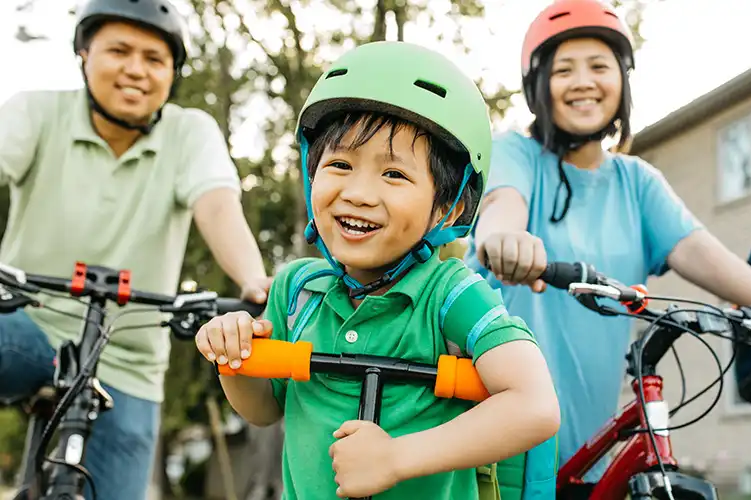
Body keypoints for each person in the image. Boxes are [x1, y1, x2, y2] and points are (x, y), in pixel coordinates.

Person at [465, 0, 751, 482]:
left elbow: (701, 251)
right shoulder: (517, 153)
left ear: (622, 80)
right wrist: (505, 240)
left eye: (599, 66)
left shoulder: (636, 182)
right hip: (497, 442)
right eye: (564, 70)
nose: (583, 81)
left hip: (590, 451)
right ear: (538, 86)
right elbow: (501, 206)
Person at [195, 41, 560, 500]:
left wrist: (395, 458)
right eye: (340, 164)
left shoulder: (451, 294)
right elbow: (265, 409)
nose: (359, 193)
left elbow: (535, 405)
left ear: (448, 208)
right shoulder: (298, 290)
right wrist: (235, 358)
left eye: (394, 175)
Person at [0, 0, 271, 498]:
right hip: (27, 326)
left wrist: (252, 279)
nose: (135, 70)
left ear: (172, 74)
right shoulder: (36, 112)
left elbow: (215, 204)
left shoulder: (189, 133)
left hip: (128, 359)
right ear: (83, 54)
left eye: (154, 58)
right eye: (118, 50)